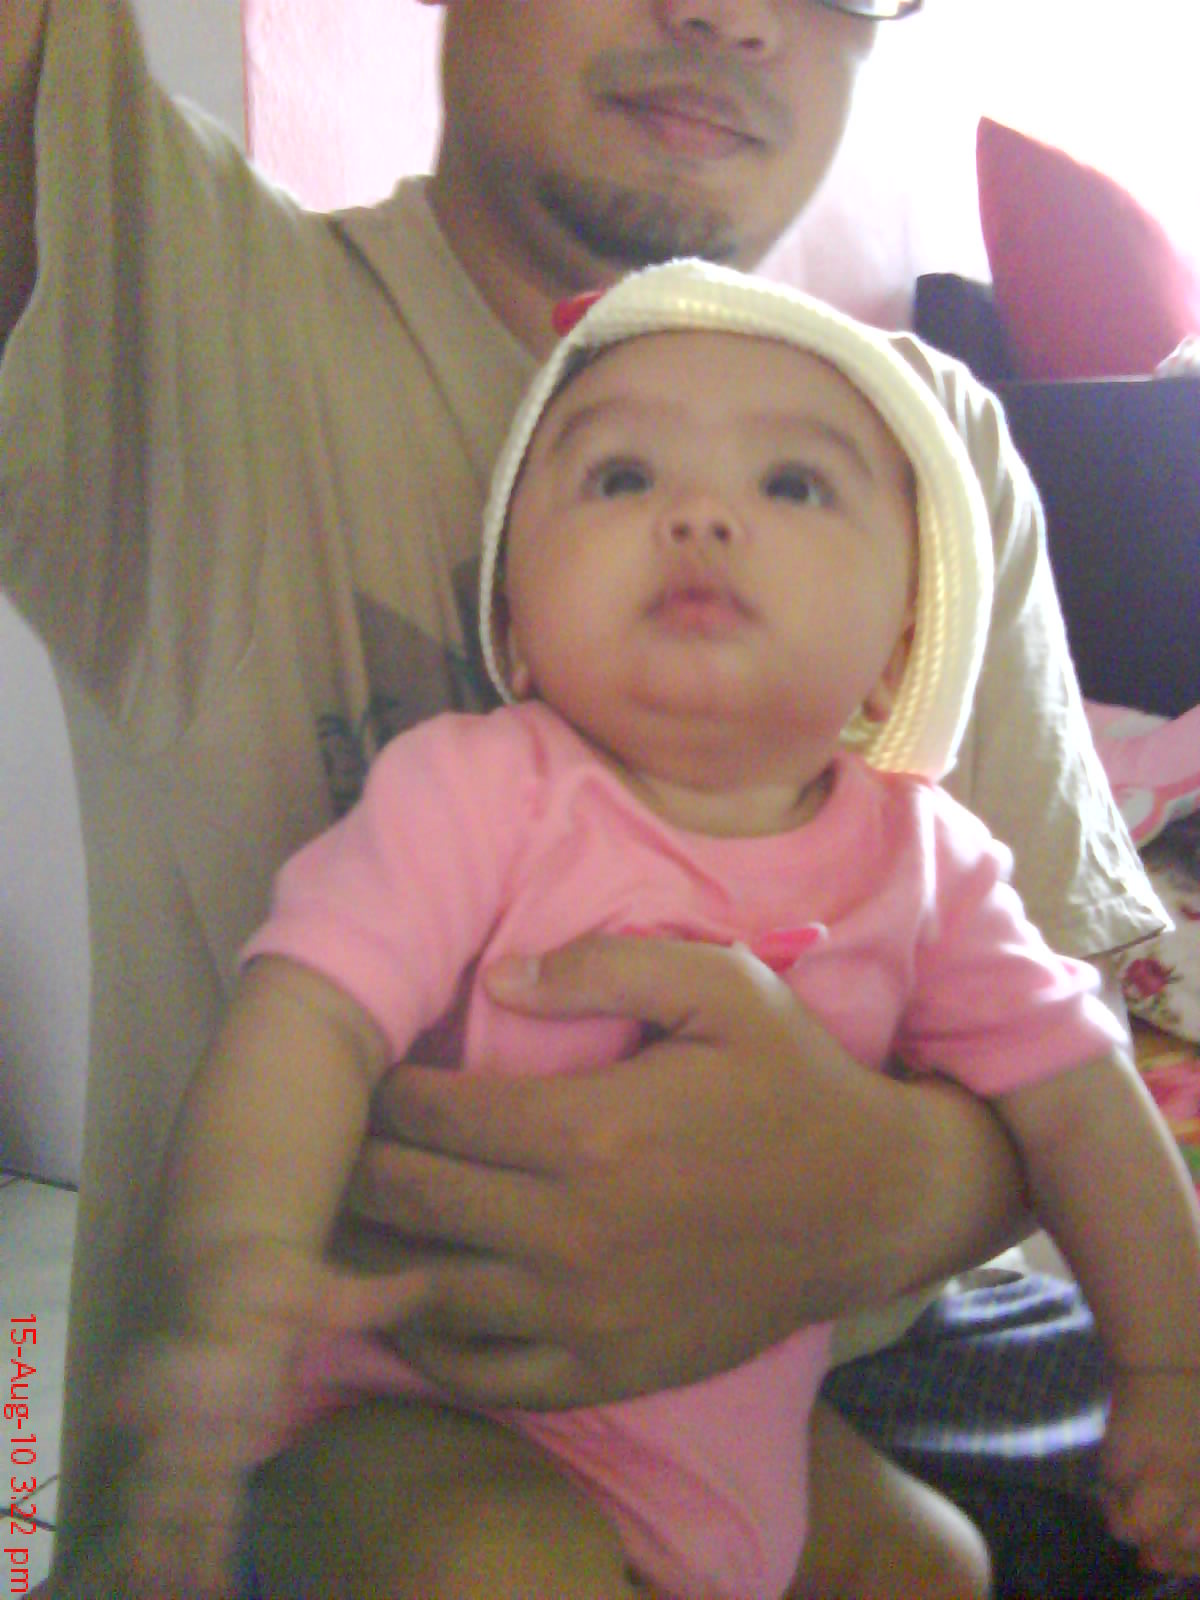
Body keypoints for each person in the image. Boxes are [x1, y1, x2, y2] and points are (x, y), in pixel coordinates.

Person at [0, 1, 1170, 1593]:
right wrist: (238, 1276)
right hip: (378, 1400)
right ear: (513, 611)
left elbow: (1079, 1049)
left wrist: (891, 1197)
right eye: (618, 478)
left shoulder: (936, 436)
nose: (730, 13)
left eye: (795, 487)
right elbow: (314, 1003)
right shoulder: (189, 308)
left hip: (856, 1363)